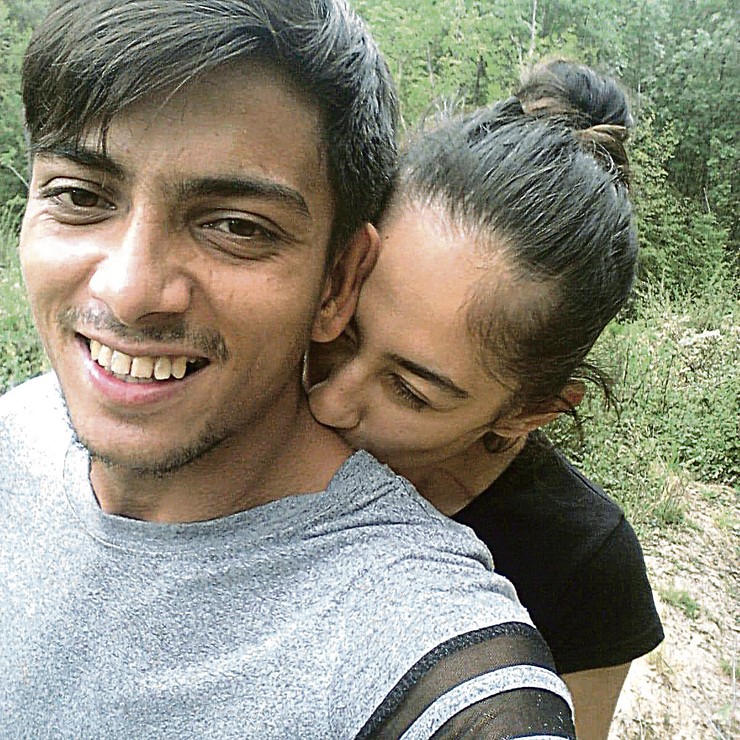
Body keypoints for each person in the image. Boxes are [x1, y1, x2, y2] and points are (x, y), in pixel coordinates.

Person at [0, 1, 577, 737]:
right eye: (80, 196)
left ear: (338, 282)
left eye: (237, 226)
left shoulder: (417, 641)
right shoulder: (18, 424)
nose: (128, 290)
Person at [307, 61, 664, 739]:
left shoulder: (583, 567)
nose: (329, 402)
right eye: (339, 328)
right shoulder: (252, 407)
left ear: (529, 410)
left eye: (409, 390)